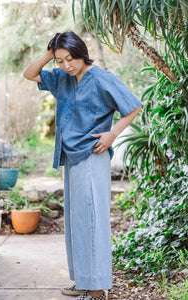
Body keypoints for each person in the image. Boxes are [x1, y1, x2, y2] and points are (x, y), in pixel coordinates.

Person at [23, 31, 142, 300]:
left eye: (71, 58)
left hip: (92, 156)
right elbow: (29, 74)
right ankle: (84, 282)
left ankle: (98, 291)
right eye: (61, 60)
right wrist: (50, 51)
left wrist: (112, 134)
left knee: (91, 222)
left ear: (81, 52)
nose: (67, 65)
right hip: (71, 157)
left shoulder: (101, 78)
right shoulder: (62, 77)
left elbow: (133, 107)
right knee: (77, 223)